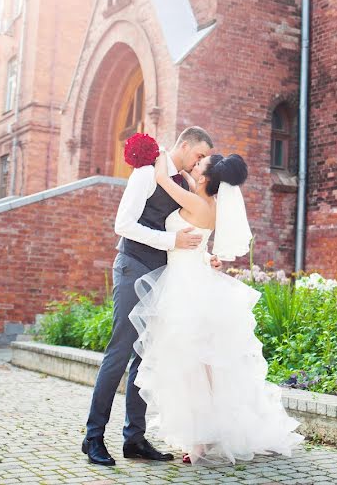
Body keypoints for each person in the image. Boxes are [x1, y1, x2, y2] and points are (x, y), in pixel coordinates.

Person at [128, 152, 304, 466]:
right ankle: (204, 435)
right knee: (200, 366)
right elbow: (200, 243)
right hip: (193, 277)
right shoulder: (208, 203)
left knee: (194, 366)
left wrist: (162, 153)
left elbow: (160, 179)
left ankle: (201, 439)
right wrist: (209, 257)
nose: (194, 166)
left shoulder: (197, 202)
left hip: (186, 286)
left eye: (199, 165)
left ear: (207, 178)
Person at [82, 127, 216, 466]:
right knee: (120, 350)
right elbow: (123, 225)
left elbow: (187, 230)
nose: (200, 162)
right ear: (184, 145)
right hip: (133, 268)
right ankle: (93, 437)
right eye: (199, 155)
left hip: (163, 277)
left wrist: (203, 254)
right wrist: (171, 243)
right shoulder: (145, 173)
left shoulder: (182, 184)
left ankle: (134, 439)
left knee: (146, 356)